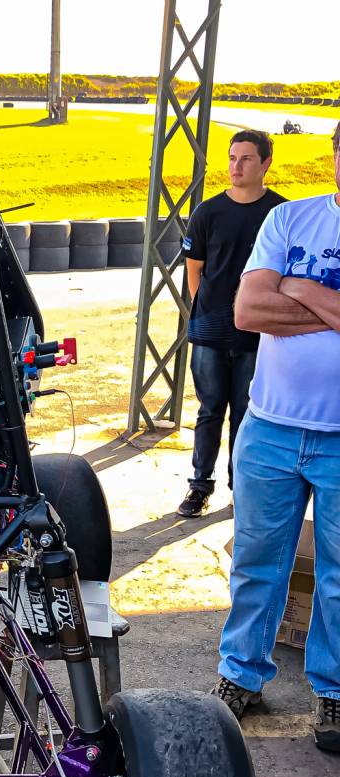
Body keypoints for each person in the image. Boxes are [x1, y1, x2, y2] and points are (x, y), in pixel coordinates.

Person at [213, 122, 340, 750]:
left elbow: (272, 301)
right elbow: (246, 311)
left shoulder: (291, 244)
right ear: (336, 157)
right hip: (271, 427)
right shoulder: (292, 221)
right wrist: (329, 303)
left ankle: (336, 693)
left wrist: (298, 285)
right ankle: (242, 675)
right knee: (256, 561)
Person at [177, 130, 287, 517]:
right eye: (232, 158)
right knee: (210, 411)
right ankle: (198, 486)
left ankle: (240, 486)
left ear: (265, 164)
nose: (236, 167)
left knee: (246, 412)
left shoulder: (280, 214)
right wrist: (206, 314)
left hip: (258, 335)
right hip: (209, 332)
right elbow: (195, 272)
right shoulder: (207, 212)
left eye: (245, 159)